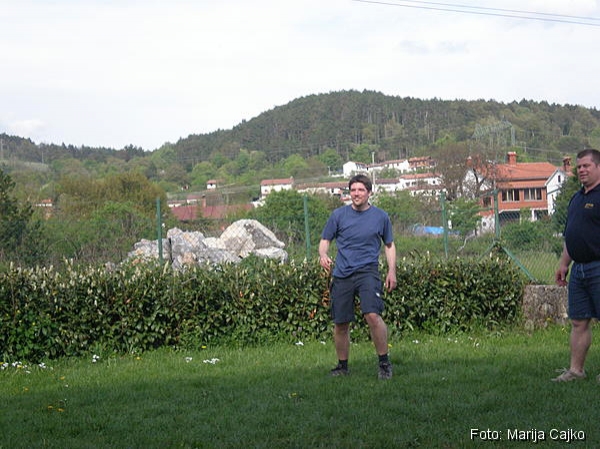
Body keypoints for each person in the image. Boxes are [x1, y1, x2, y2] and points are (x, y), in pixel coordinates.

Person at [318, 174, 397, 380]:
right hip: (342, 274)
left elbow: (389, 245)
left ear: (369, 192)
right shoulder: (338, 215)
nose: (356, 194)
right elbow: (325, 240)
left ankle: (384, 364)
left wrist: (392, 271)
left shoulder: (380, 217)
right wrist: (323, 254)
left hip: (368, 272)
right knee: (341, 323)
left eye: (361, 190)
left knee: (372, 315)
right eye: (353, 190)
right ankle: (342, 366)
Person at [553, 148, 600, 382]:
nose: (581, 170)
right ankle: (576, 371)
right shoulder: (576, 198)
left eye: (586, 166)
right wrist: (564, 263)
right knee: (578, 321)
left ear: (598, 167)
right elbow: (571, 234)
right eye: (579, 166)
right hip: (578, 269)